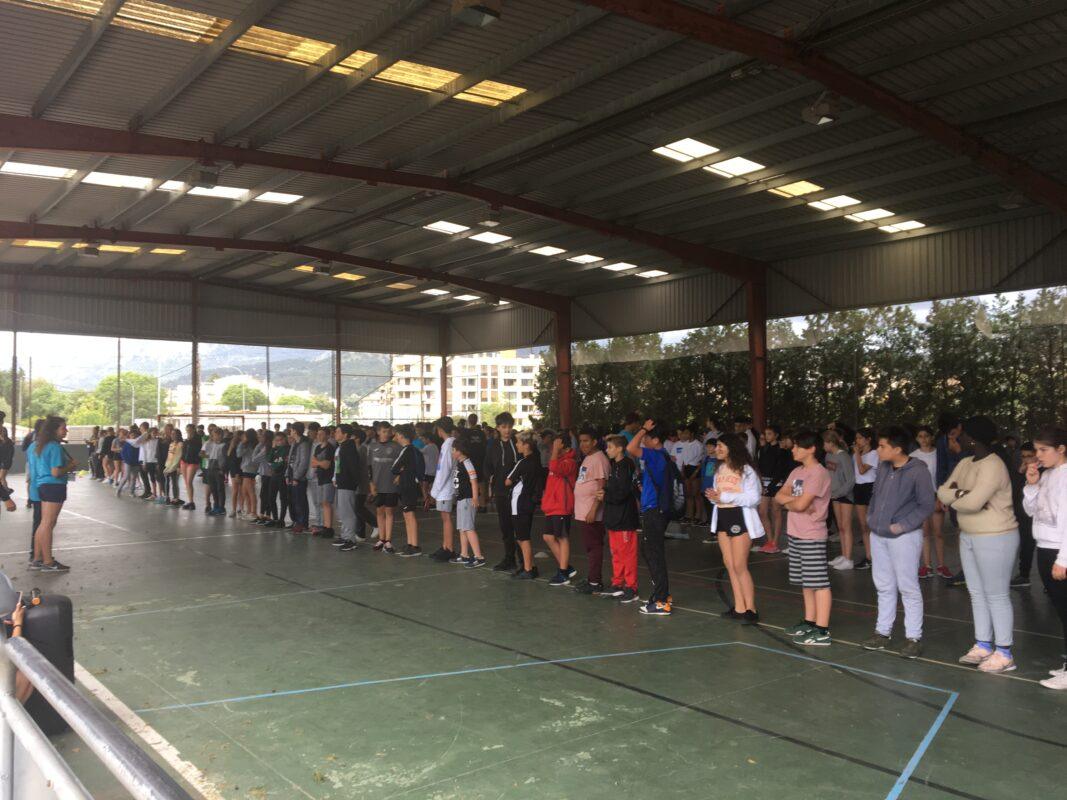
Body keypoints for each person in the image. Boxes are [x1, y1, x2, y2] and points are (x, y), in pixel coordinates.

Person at [937, 416, 1019, 674]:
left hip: (996, 535)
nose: (957, 438)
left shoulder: (993, 465)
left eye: (960, 434)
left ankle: (1004, 652)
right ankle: (983, 645)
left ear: (972, 438)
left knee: (996, 595)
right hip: (969, 535)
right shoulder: (965, 463)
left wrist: (959, 496)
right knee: (976, 593)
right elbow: (942, 492)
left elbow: (972, 503)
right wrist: (963, 494)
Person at [862, 426, 936, 659]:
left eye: (882, 446)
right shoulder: (884, 467)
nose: (878, 449)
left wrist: (902, 526)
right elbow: (875, 495)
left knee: (908, 586)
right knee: (884, 585)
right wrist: (872, 519)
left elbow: (927, 505)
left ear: (897, 449)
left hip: (904, 537)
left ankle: (913, 637)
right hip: (878, 534)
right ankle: (882, 632)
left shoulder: (918, 471)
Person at [775, 430, 832, 646]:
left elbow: (799, 504)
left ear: (811, 449)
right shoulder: (797, 471)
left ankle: (822, 630)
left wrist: (791, 503)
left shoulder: (818, 473)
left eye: (797, 446)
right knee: (807, 582)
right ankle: (810, 621)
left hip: (811, 534)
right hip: (795, 531)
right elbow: (779, 496)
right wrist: (793, 503)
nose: (793, 449)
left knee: (819, 583)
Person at [1021, 427, 1067, 690]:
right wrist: (1032, 484)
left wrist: (1064, 559)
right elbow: (1031, 511)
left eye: (1043, 450)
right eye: (1036, 449)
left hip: (1060, 552)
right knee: (1062, 610)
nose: (1037, 455)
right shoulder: (1047, 475)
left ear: (1061, 449)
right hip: (1045, 548)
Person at [706, 432, 764, 624]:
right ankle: (739, 607)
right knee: (729, 563)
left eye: (720, 446)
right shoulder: (719, 469)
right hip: (723, 517)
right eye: (717, 446)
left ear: (732, 448)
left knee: (739, 564)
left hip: (740, 517)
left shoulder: (746, 470)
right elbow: (719, 495)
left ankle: (751, 609)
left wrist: (724, 497)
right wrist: (714, 496)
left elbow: (754, 498)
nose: (716, 449)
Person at [626, 419, 676, 616]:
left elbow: (630, 448)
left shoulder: (655, 455)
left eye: (646, 437)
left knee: (653, 553)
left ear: (655, 440)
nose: (643, 440)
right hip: (655, 509)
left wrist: (642, 429)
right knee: (650, 551)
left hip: (654, 511)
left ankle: (662, 600)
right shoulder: (662, 456)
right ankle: (662, 595)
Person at [27, 416, 75, 573]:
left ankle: (37, 559)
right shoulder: (54, 447)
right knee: (48, 523)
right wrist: (70, 466)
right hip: (54, 486)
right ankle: (48, 561)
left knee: (44, 523)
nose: (66, 431)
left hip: (43, 486)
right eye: (63, 428)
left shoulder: (40, 445)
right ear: (54, 430)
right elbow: (56, 472)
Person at [597, 435, 640, 602]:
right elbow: (614, 489)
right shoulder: (615, 465)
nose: (607, 450)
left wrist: (606, 495)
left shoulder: (626, 466)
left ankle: (631, 587)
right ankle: (618, 584)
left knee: (627, 554)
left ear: (620, 448)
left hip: (625, 519)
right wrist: (605, 492)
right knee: (616, 553)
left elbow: (622, 493)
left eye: (610, 447)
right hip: (614, 518)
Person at [573, 426, 609, 594]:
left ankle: (595, 582)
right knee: (589, 546)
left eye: (586, 441)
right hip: (584, 510)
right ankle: (592, 578)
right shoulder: (588, 458)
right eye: (580, 441)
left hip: (591, 512)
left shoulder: (599, 459)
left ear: (594, 442)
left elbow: (602, 487)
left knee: (594, 546)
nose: (582, 444)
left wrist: (593, 509)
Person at [911, 426, 950, 578]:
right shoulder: (913, 456)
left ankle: (941, 565)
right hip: (920, 497)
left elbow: (945, 475)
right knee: (925, 533)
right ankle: (927, 566)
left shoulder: (939, 454)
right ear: (916, 439)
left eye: (926, 435)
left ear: (932, 437)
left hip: (936, 495)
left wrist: (942, 496)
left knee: (938, 532)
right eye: (920, 436)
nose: (924, 439)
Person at [484, 412, 519, 572]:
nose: (507, 430)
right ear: (497, 428)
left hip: (517, 491)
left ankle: (524, 561)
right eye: (503, 427)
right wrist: (490, 477)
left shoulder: (517, 444)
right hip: (500, 491)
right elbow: (486, 466)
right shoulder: (493, 446)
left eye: (509, 427)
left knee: (518, 527)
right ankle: (509, 558)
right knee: (505, 527)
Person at [543, 432, 578, 586]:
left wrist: (556, 451)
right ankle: (567, 567)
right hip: (552, 506)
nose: (553, 448)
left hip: (562, 506)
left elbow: (554, 467)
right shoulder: (556, 459)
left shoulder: (570, 462)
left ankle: (563, 572)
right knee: (548, 537)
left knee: (562, 538)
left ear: (564, 446)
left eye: (556, 445)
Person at [506, 431, 542, 580]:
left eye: (519, 442)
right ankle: (530, 565)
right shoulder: (537, 461)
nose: (516, 445)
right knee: (522, 536)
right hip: (529, 503)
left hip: (519, 503)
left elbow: (508, 481)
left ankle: (528, 569)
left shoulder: (523, 462)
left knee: (523, 538)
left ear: (526, 445)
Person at [823, 430, 857, 570]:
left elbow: (851, 480)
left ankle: (848, 559)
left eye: (825, 443)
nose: (823, 446)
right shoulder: (828, 456)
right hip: (834, 495)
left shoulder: (844, 456)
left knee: (846, 526)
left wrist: (839, 493)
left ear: (831, 443)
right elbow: (829, 475)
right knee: (841, 527)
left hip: (845, 495)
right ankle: (844, 555)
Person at [450, 436, 485, 568]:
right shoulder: (459, 463)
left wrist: (475, 498)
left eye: (453, 450)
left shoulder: (467, 463)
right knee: (462, 528)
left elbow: (473, 481)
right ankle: (464, 554)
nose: (452, 452)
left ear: (460, 451)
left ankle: (479, 557)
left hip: (467, 499)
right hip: (461, 499)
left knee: (469, 528)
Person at [429, 417, 458, 563]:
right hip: (445, 488)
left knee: (446, 519)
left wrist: (435, 490)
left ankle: (449, 549)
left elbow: (444, 469)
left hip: (445, 489)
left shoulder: (448, 445)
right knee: (444, 518)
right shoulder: (449, 443)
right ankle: (445, 545)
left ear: (440, 430)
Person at [369, 422, 401, 554]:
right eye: (384, 431)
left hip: (391, 485)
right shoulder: (372, 447)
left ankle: (388, 540)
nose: (386, 434)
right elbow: (369, 467)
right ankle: (381, 539)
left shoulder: (396, 447)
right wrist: (371, 483)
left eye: (388, 431)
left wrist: (399, 476)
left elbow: (403, 463)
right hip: (378, 485)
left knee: (389, 512)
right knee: (379, 512)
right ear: (378, 432)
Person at [391, 424, 423, 556]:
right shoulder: (414, 450)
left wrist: (401, 471)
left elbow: (394, 468)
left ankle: (414, 545)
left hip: (408, 486)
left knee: (409, 514)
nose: (395, 437)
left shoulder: (407, 450)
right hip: (410, 485)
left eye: (397, 434)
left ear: (401, 436)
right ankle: (410, 543)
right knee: (407, 514)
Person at [756, 425, 789, 553]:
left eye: (769, 433)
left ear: (776, 435)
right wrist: (761, 484)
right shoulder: (764, 448)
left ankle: (775, 542)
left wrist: (771, 485)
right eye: (766, 433)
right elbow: (760, 466)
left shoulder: (781, 450)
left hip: (776, 484)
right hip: (764, 483)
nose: (766, 436)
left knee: (776, 512)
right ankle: (769, 541)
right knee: (762, 512)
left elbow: (781, 470)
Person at [1011, 442, 1038, 588]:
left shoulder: (1044, 471)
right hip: (1023, 515)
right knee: (1026, 545)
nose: (1027, 459)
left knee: (1046, 549)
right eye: (1023, 456)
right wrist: (1020, 473)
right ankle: (1024, 574)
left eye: (1030, 456)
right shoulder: (1020, 472)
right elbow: (1015, 493)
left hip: (1039, 516)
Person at [852, 427, 879, 569]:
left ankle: (877, 555)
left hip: (870, 487)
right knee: (863, 525)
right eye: (856, 438)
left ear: (868, 439)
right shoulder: (857, 454)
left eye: (860, 438)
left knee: (872, 524)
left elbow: (862, 470)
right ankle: (869, 556)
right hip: (859, 487)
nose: (857, 441)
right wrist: (857, 454)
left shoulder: (874, 453)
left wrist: (857, 454)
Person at [332, 425, 360, 551]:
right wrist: (335, 478)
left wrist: (353, 482)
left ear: (345, 434)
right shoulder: (341, 447)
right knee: (342, 511)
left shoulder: (349, 448)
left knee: (348, 512)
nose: (335, 433)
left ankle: (350, 540)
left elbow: (353, 467)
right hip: (341, 482)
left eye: (338, 432)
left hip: (347, 483)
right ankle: (345, 536)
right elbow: (338, 465)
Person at [286, 422, 312, 533]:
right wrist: (287, 474)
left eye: (291, 430)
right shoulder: (294, 443)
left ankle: (302, 523)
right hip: (291, 475)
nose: (290, 432)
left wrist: (296, 477)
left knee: (300, 501)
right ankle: (296, 521)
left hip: (299, 478)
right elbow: (290, 461)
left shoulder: (304, 444)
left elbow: (303, 463)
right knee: (292, 500)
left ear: (295, 431)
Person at [267, 432, 290, 527]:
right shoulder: (275, 449)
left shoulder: (287, 449)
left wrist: (274, 466)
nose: (279, 442)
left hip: (282, 476)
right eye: (277, 440)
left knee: (283, 498)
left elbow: (283, 464)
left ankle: (281, 519)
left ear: (285, 439)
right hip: (274, 476)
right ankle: (275, 518)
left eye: (281, 440)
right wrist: (273, 448)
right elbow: (269, 460)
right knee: (271, 497)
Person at [698, 438, 718, 541]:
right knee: (709, 511)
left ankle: (716, 532)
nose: (708, 448)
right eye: (707, 446)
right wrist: (702, 488)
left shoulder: (719, 460)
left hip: (715, 490)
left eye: (711, 446)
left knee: (715, 511)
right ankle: (713, 531)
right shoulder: (706, 459)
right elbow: (703, 475)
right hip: (706, 489)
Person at [180, 424, 202, 511]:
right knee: (186, 482)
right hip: (184, 461)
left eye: (190, 429)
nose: (188, 431)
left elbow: (197, 450)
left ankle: (192, 502)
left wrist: (188, 440)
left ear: (194, 430)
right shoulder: (186, 439)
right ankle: (190, 501)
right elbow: (183, 451)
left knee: (189, 482)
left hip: (192, 462)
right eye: (187, 429)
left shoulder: (197, 439)